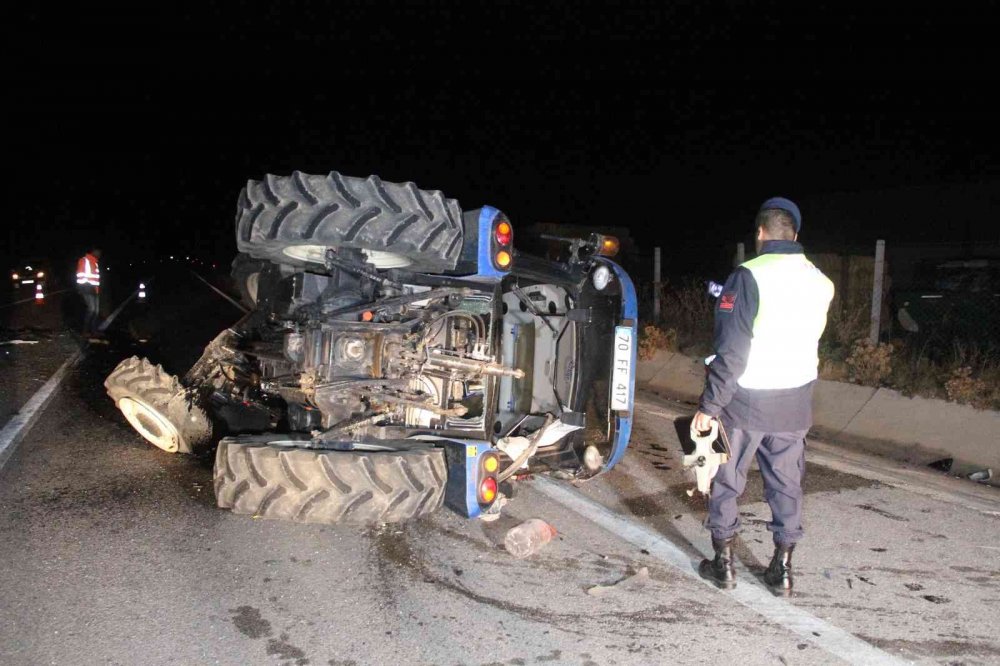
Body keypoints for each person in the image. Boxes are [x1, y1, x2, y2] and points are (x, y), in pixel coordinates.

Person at [693, 197, 834, 595]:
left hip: (746, 401)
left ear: (759, 233)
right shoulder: (822, 281)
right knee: (787, 483)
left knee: (727, 479)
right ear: (796, 234)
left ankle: (723, 566)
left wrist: (710, 406)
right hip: (796, 402)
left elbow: (733, 351)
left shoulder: (748, 276)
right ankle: (783, 571)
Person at [76, 248, 102, 340]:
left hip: (94, 290)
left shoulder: (95, 262)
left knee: (96, 311)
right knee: (91, 310)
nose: (99, 254)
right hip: (86, 289)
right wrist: (82, 288)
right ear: (93, 252)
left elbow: (95, 279)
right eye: (98, 252)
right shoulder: (84, 260)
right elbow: (79, 275)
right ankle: (85, 331)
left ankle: (94, 331)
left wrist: (97, 290)